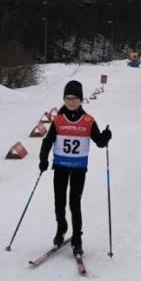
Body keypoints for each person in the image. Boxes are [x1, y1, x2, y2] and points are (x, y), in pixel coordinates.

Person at [38, 79, 112, 256]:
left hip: (79, 169)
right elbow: (47, 141)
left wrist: (106, 136)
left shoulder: (88, 121)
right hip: (60, 167)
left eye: (74, 98)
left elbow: (100, 143)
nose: (70, 101)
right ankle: (61, 228)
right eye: (67, 98)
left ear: (80, 99)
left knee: (74, 203)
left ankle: (77, 239)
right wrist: (43, 159)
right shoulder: (58, 120)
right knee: (59, 202)